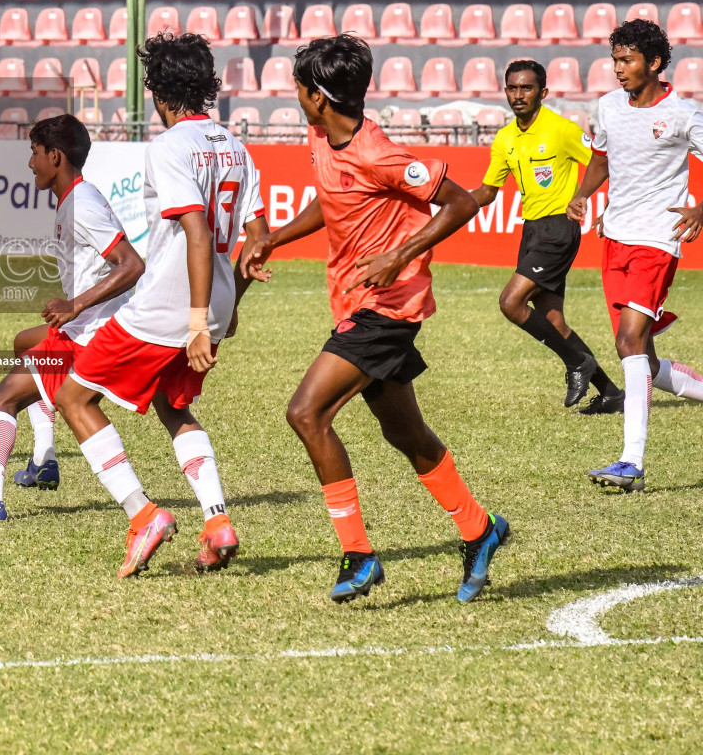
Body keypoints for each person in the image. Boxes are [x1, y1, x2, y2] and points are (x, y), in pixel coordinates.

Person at [240, 34, 510, 604]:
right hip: (357, 301)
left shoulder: (379, 152)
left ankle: (359, 556)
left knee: (306, 412)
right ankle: (479, 529)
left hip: (388, 306)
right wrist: (277, 241)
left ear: (317, 96)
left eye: (297, 88)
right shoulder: (322, 137)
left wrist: (398, 255)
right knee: (404, 431)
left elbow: (461, 202)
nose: (294, 96)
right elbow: (331, 199)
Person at [50, 33, 267, 579]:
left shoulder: (168, 148)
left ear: (159, 92)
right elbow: (259, 237)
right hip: (209, 303)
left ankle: (142, 514)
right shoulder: (236, 147)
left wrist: (196, 323)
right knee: (174, 408)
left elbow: (195, 231)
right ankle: (217, 522)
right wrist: (229, 302)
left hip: (171, 307)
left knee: (74, 396)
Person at [0, 113, 144, 523]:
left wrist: (75, 305)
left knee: (3, 397)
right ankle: (45, 461)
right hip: (93, 328)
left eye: (34, 153)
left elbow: (132, 265)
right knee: (25, 344)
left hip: (93, 334)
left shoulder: (82, 204)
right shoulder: (76, 199)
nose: (30, 163)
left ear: (55, 156)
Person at [567, 19, 703, 494]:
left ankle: (631, 462)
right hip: (616, 237)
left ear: (655, 63)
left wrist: (700, 208)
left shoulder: (685, 115)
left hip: (658, 241)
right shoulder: (607, 106)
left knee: (628, 343)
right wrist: (584, 194)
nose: (618, 69)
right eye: (615, 59)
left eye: (627, 60)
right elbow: (601, 159)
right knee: (641, 351)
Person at [468, 59, 623, 414]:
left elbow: (609, 163)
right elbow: (488, 191)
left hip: (558, 229)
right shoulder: (506, 138)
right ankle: (612, 393)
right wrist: (446, 203)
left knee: (511, 302)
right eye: (512, 88)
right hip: (532, 231)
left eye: (526, 88)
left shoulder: (561, 129)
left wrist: (604, 205)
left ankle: (576, 363)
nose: (518, 95)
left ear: (543, 92)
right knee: (553, 321)